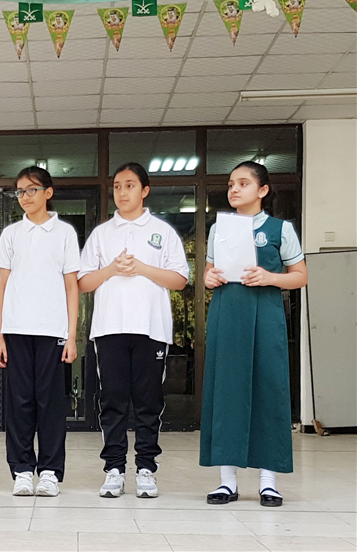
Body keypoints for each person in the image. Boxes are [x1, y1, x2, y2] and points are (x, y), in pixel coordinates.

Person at [78, 162, 189, 499]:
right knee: (112, 400)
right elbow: (83, 282)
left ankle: (145, 468)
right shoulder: (102, 234)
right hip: (109, 328)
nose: (122, 192)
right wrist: (112, 269)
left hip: (151, 329)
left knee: (148, 401)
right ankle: (113, 468)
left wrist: (141, 267)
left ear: (144, 191)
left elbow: (179, 279)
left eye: (129, 185)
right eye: (117, 186)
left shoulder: (162, 232)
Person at [201, 161, 308, 508]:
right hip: (227, 313)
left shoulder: (280, 229)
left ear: (262, 190)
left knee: (268, 390)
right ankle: (227, 481)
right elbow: (209, 271)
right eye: (231, 184)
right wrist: (209, 278)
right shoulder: (219, 229)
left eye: (243, 183)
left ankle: (268, 481)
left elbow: (301, 275)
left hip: (266, 315)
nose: (234, 189)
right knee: (226, 390)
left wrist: (270, 277)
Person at [0, 166, 80, 497]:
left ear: (48, 192)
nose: (25, 197)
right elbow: (3, 286)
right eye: (20, 191)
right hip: (16, 330)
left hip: (52, 331)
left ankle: (50, 472)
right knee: (19, 404)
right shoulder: (11, 234)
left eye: (31, 190)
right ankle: (21, 471)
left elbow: (71, 287)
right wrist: (0, 336)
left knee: (50, 405)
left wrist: (71, 336)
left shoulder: (65, 234)